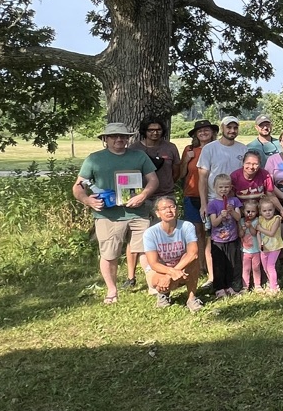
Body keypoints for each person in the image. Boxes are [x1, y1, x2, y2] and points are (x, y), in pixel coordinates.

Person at [72, 122, 159, 305]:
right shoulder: (94, 159)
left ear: (128, 138)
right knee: (110, 254)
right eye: (114, 136)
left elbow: (153, 180)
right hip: (108, 216)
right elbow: (78, 186)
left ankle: (153, 285)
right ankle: (112, 290)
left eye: (123, 136)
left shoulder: (139, 156)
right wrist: (88, 200)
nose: (119, 139)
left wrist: (143, 195)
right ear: (105, 139)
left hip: (138, 212)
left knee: (145, 249)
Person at [124, 116, 180, 289]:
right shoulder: (134, 149)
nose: (155, 133)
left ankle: (164, 270)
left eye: (158, 129)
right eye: (151, 130)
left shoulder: (170, 148)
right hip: (141, 198)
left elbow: (176, 171)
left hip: (165, 196)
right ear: (144, 131)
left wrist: (167, 185)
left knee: (164, 236)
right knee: (135, 238)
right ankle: (131, 276)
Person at [142, 196, 203, 312]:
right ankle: (163, 294)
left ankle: (191, 298)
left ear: (177, 210)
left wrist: (170, 275)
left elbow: (193, 253)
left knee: (193, 261)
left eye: (172, 207)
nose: (169, 211)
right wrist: (170, 272)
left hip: (182, 267)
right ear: (158, 213)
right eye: (164, 208)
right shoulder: (150, 233)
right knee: (157, 280)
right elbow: (153, 263)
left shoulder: (187, 226)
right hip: (161, 269)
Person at [179, 119, 216, 281]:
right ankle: (200, 265)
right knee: (197, 232)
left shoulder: (217, 148)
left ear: (212, 132)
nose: (203, 133)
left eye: (206, 130)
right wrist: (186, 160)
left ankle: (213, 266)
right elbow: (179, 175)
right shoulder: (189, 149)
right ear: (195, 134)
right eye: (199, 131)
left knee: (213, 233)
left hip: (213, 196)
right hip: (192, 195)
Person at [197, 116, 246, 217]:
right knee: (215, 232)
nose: (232, 130)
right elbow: (202, 178)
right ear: (222, 128)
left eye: (235, 128)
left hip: (236, 201)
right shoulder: (209, 149)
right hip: (214, 200)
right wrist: (203, 204)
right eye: (229, 127)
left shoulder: (243, 149)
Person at [206, 173, 243, 298]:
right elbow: (214, 223)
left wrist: (232, 211)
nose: (224, 190)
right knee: (219, 265)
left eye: (226, 187)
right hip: (218, 241)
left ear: (231, 187)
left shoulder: (234, 201)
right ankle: (219, 287)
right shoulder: (212, 204)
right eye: (221, 187)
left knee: (233, 263)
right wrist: (221, 216)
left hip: (232, 238)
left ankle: (232, 286)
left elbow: (238, 218)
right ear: (215, 188)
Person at [231, 150, 283, 216]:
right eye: (248, 163)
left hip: (260, 213)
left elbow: (271, 195)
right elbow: (231, 198)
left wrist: (281, 209)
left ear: (260, 164)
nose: (251, 167)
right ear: (243, 163)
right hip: (241, 213)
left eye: (255, 164)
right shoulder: (234, 177)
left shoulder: (264, 175)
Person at [255, 196, 283, 293]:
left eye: (270, 210)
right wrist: (259, 243)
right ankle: (270, 282)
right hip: (264, 247)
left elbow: (271, 233)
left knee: (270, 266)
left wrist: (260, 228)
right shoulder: (260, 219)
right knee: (265, 267)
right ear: (261, 211)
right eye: (264, 210)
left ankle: (274, 287)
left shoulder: (277, 219)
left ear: (274, 210)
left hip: (275, 246)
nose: (267, 212)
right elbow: (258, 233)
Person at [238, 200, 263, 292]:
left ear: (257, 212)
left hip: (256, 250)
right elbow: (240, 235)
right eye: (248, 211)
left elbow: (254, 233)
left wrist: (250, 227)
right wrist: (243, 229)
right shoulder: (241, 221)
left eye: (253, 211)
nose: (250, 214)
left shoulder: (257, 221)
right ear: (243, 211)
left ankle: (258, 285)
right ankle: (245, 286)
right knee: (246, 268)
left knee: (256, 268)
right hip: (245, 251)